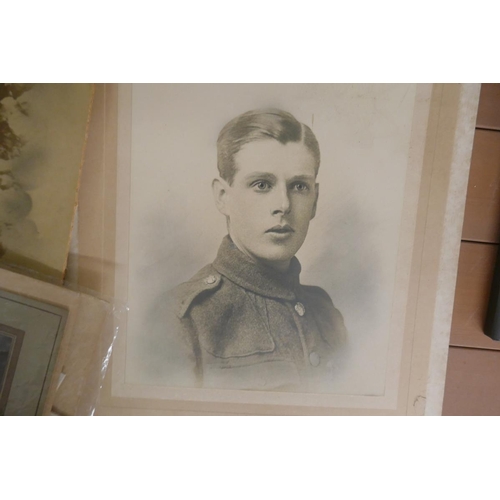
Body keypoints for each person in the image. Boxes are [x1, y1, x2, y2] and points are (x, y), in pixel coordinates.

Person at [154, 108, 347, 392]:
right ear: (223, 197)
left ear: (315, 201)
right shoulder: (181, 319)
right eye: (262, 184)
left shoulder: (327, 314)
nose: (283, 204)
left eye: (298, 186)